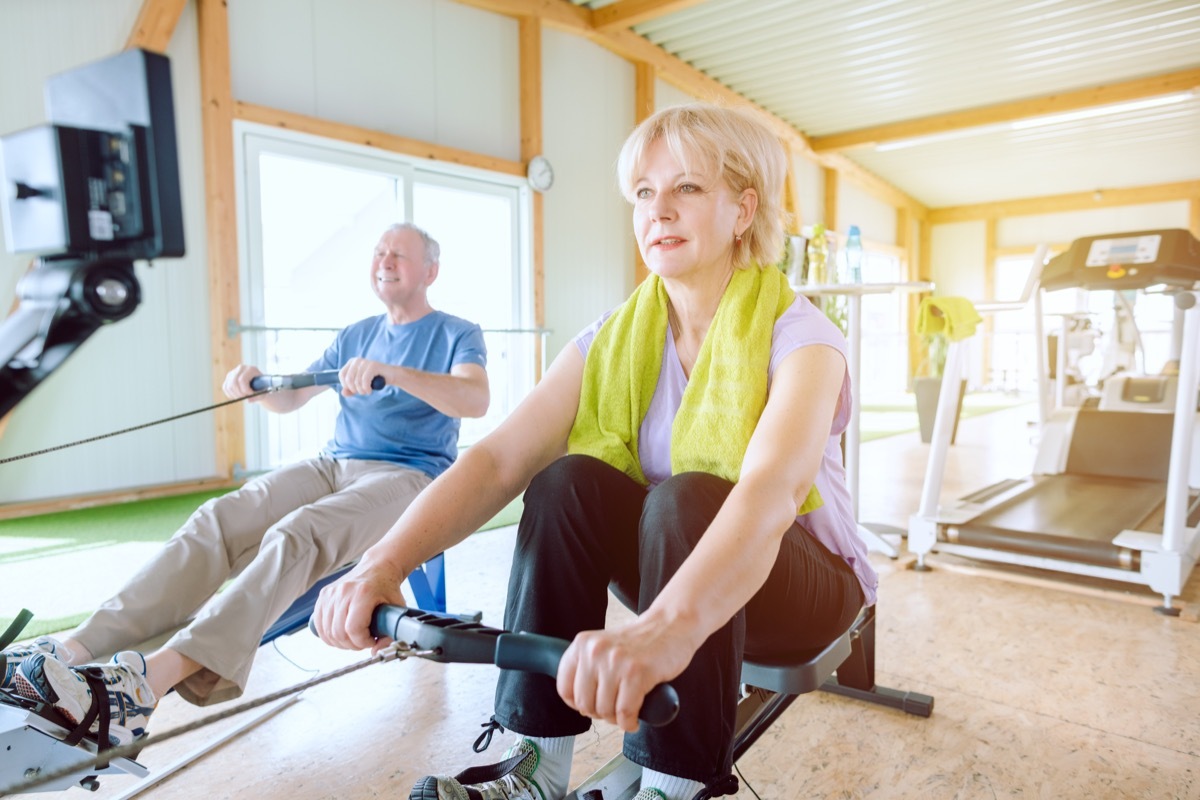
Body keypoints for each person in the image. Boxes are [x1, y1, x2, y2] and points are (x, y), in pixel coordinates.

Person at [313, 104, 876, 800]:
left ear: (742, 210)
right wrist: (383, 562)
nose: (659, 210)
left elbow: (770, 491)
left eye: (688, 189)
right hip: (679, 571)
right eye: (645, 192)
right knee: (566, 481)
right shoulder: (613, 338)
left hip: (801, 592)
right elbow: (498, 460)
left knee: (692, 495)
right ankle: (534, 766)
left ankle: (676, 784)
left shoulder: (803, 338)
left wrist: (664, 631)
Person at [2, 222, 489, 746]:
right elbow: (292, 397)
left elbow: (474, 400)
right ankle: (69, 652)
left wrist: (395, 373)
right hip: (333, 464)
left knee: (299, 533)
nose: (384, 260)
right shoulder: (357, 332)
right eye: (378, 252)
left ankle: (144, 686)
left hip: (410, 475)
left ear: (430, 270)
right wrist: (254, 387)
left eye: (399, 254)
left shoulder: (456, 332)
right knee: (217, 519)